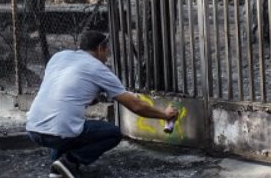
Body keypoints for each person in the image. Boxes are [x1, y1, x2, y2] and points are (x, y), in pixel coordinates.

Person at [26, 30, 178, 178]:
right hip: (59, 132)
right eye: (107, 52)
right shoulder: (99, 69)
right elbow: (135, 105)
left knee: (62, 126)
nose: (107, 57)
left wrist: (88, 97)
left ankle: (57, 170)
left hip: (33, 128)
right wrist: (164, 114)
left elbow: (61, 90)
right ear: (100, 49)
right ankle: (69, 162)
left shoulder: (59, 57)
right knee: (112, 133)